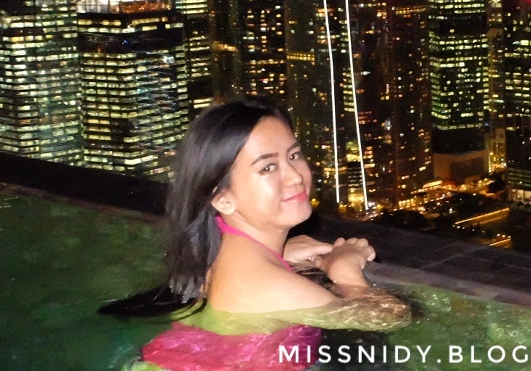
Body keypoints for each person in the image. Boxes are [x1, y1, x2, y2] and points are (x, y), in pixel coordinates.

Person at [127, 100, 410, 371]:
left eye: (294, 155)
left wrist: (279, 254)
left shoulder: (220, 251)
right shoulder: (274, 288)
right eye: (268, 167)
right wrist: (344, 269)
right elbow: (389, 317)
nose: (295, 177)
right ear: (223, 199)